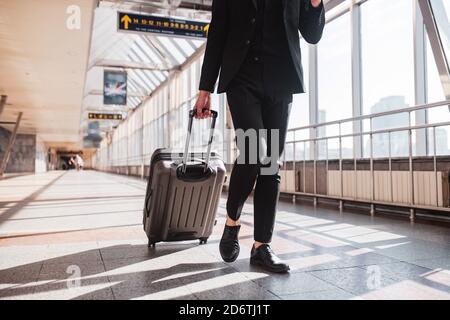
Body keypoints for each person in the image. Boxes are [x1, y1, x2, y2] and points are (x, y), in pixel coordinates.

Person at [194, 0, 325, 273]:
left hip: (282, 79)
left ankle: (261, 246)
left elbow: (312, 35)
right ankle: (232, 221)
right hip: (242, 77)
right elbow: (217, 33)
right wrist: (205, 88)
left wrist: (315, 4)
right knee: (255, 152)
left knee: (270, 164)